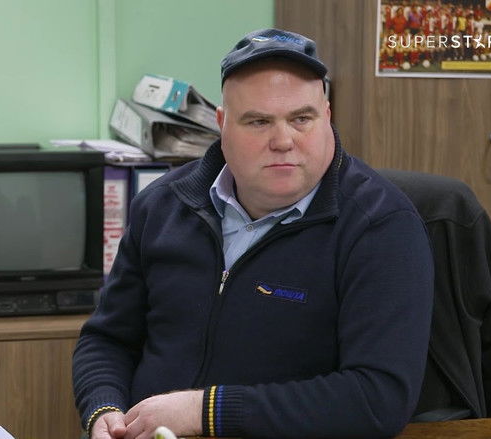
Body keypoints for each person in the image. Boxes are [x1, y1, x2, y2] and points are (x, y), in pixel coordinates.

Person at [73, 28, 434, 439]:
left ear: (327, 116)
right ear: (222, 125)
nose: (283, 141)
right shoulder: (161, 206)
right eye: (259, 122)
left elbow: (377, 399)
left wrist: (205, 411)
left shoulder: (380, 226)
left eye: (302, 119)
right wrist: (103, 408)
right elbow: (107, 339)